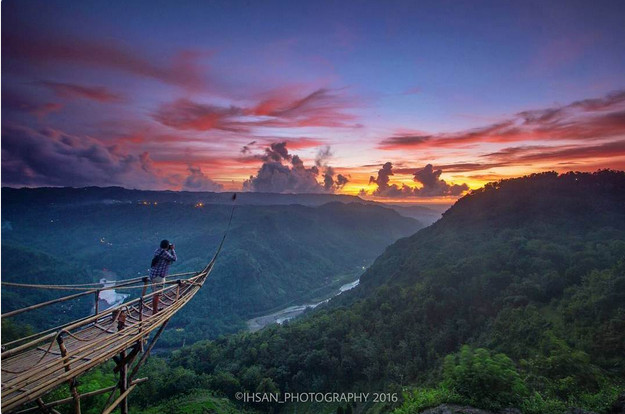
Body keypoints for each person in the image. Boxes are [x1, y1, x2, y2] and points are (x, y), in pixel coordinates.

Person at [149, 239, 177, 314]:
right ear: (167, 246)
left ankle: (155, 308)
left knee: (155, 293)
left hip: (152, 275)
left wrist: (168, 248)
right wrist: (172, 250)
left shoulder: (157, 250)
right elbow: (174, 259)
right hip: (158, 276)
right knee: (157, 294)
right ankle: (155, 311)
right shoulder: (165, 253)